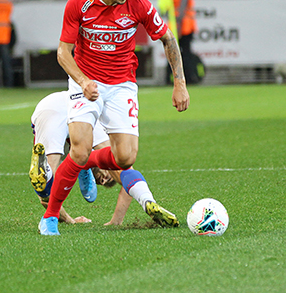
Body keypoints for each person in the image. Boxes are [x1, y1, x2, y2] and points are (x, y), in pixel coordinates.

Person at [38, 0, 190, 235]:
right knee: (80, 148)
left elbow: (168, 38)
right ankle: (50, 217)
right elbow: (63, 53)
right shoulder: (79, 3)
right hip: (86, 83)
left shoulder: (138, 4)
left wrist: (179, 83)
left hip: (122, 85)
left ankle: (83, 165)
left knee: (125, 158)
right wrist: (83, 81)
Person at [29, 91, 179, 227]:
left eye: (102, 182)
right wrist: (114, 221)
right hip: (78, 106)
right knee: (121, 166)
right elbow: (126, 176)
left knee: (47, 183)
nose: (104, 179)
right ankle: (146, 199)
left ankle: (147, 200)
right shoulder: (97, 137)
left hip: (62, 105)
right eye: (108, 179)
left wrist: (71, 220)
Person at [172, 0, 200, 85]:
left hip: (173, 26)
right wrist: (179, 29)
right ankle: (189, 78)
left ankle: (169, 77)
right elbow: (182, 12)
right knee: (186, 53)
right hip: (185, 27)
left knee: (172, 53)